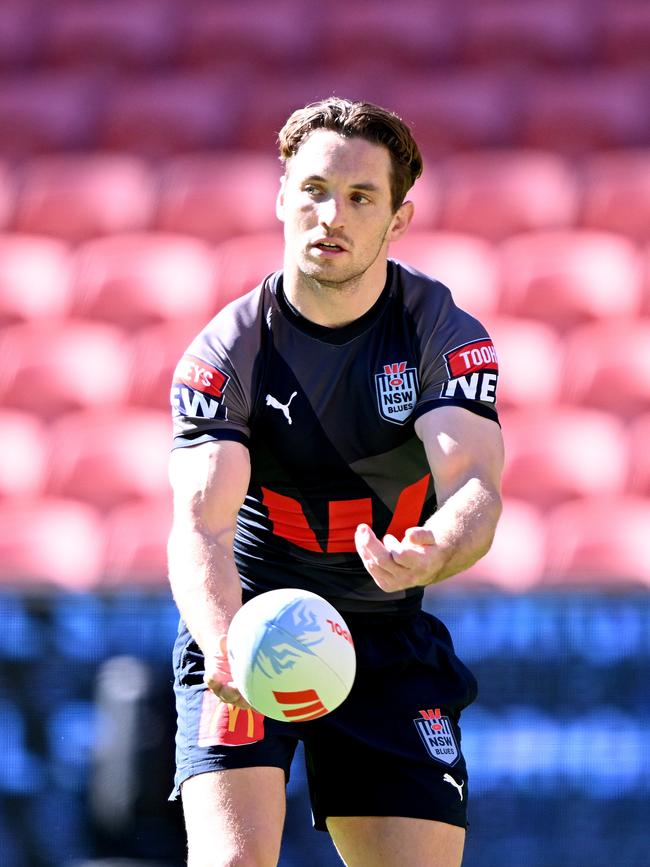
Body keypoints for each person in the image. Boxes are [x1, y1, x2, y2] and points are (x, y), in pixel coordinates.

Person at [167, 96, 504, 867]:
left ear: (399, 218)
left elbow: (476, 485)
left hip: (385, 634)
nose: (331, 215)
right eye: (314, 190)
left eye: (360, 197)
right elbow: (201, 527)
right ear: (282, 197)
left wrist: (435, 549)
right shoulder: (226, 351)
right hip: (249, 624)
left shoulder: (440, 332)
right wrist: (226, 644)